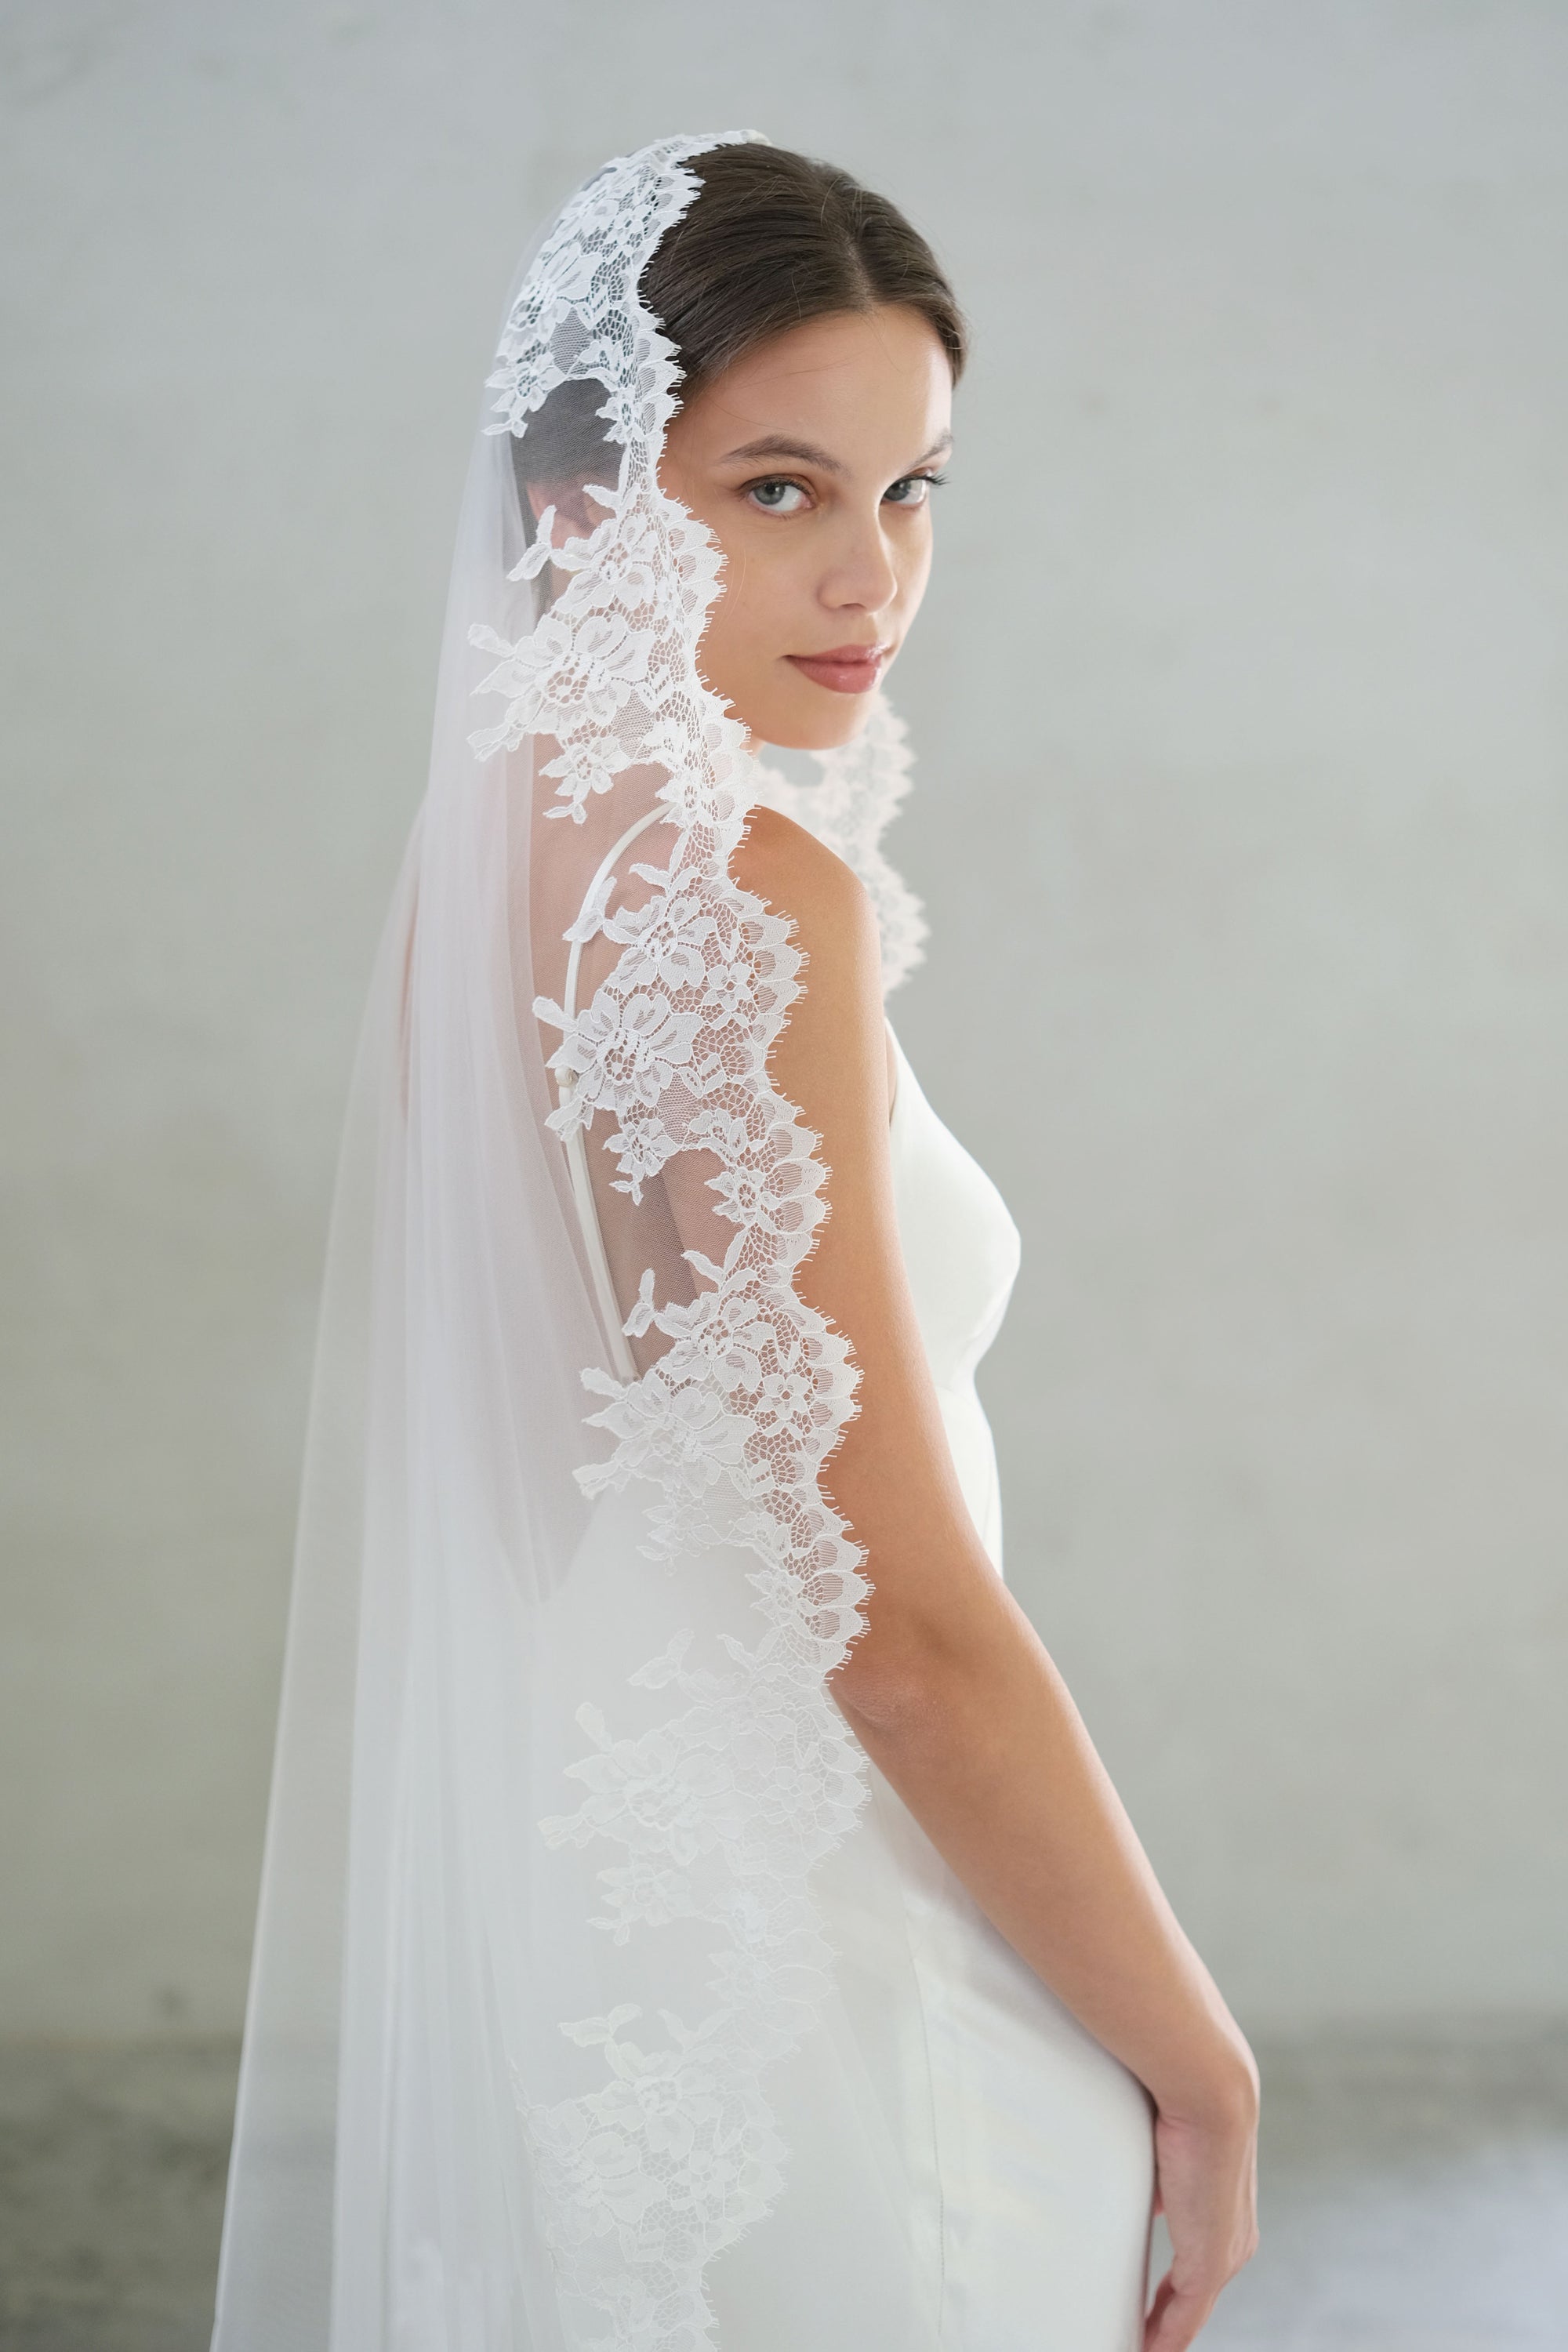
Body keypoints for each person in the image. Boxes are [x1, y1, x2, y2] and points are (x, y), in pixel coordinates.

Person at [210, 133, 1258, 2352]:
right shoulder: (745, 906)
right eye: (778, 488)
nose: (870, 575)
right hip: (842, 1951)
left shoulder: (494, 866)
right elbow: (893, 1634)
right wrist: (1201, 2056)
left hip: (606, 1937)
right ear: (586, 503)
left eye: (915, 490)